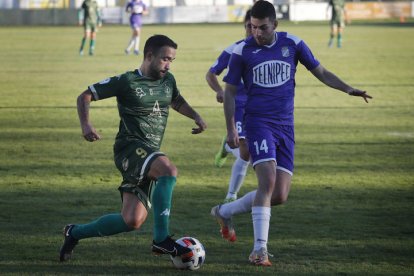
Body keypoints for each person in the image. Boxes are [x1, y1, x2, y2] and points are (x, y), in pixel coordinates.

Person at [211, 0, 372, 267]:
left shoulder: (293, 44)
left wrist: (348, 89)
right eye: (252, 27)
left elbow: (321, 72)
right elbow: (229, 92)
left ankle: (224, 211)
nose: (257, 33)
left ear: (275, 24)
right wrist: (230, 128)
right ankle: (259, 250)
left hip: (286, 127)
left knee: (280, 195)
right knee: (267, 182)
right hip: (257, 123)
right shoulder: (242, 51)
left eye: (262, 28)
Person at [60, 34, 207, 263]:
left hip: (148, 153)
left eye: (172, 60)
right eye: (165, 59)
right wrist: (86, 124)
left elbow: (175, 100)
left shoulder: (168, 80)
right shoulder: (127, 81)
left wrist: (196, 116)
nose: (168, 64)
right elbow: (85, 96)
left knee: (132, 220)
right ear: (149, 55)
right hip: (129, 148)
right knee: (168, 170)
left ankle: (74, 233)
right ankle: (161, 239)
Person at [206, 10, 252, 204]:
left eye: (257, 26)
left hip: (260, 108)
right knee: (246, 152)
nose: (253, 30)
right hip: (238, 106)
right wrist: (219, 91)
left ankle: (226, 145)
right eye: (249, 26)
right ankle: (231, 196)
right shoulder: (235, 49)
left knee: (249, 152)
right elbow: (211, 73)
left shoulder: (271, 51)